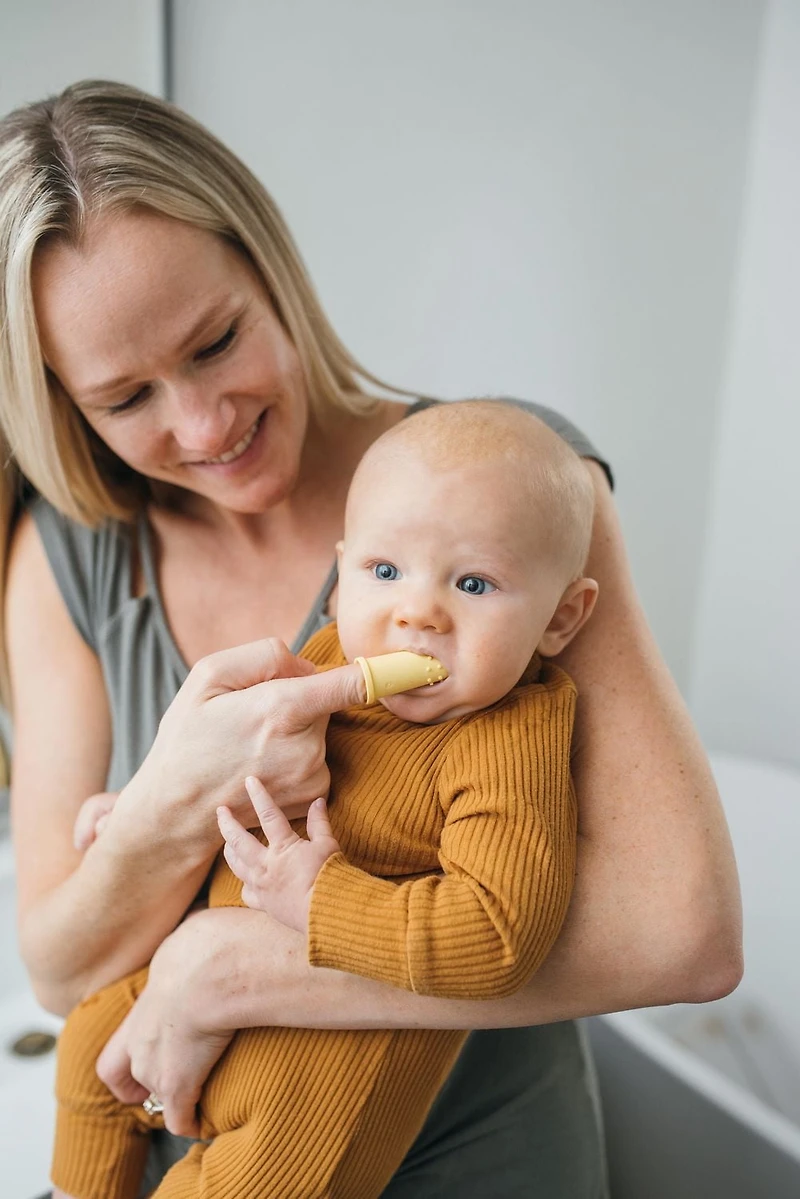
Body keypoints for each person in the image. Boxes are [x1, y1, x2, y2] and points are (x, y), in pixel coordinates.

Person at [0, 80, 742, 1199]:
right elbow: (59, 965)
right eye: (125, 397)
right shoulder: (72, 552)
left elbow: (683, 935)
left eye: (215, 341)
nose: (203, 426)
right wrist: (167, 797)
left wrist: (234, 969)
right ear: (62, 403)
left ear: (270, 270)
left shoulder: (509, 493)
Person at [50, 402, 599, 1199]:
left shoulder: (509, 735)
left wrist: (320, 897)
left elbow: (499, 934)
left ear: (560, 617)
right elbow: (237, 776)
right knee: (85, 1055)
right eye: (384, 572)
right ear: (341, 581)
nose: (416, 612)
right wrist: (140, 805)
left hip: (325, 1082)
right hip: (203, 1003)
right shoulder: (330, 660)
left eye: (473, 582)